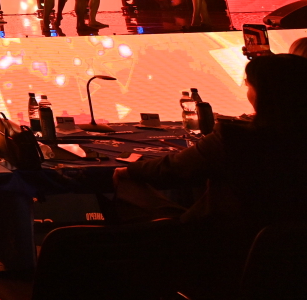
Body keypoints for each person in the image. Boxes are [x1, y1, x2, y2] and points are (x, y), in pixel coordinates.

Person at [33, 54, 307, 300]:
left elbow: (171, 171)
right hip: (283, 256)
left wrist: (129, 170)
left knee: (100, 208)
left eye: (249, 85)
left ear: (263, 92)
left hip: (213, 248)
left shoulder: (235, 138)